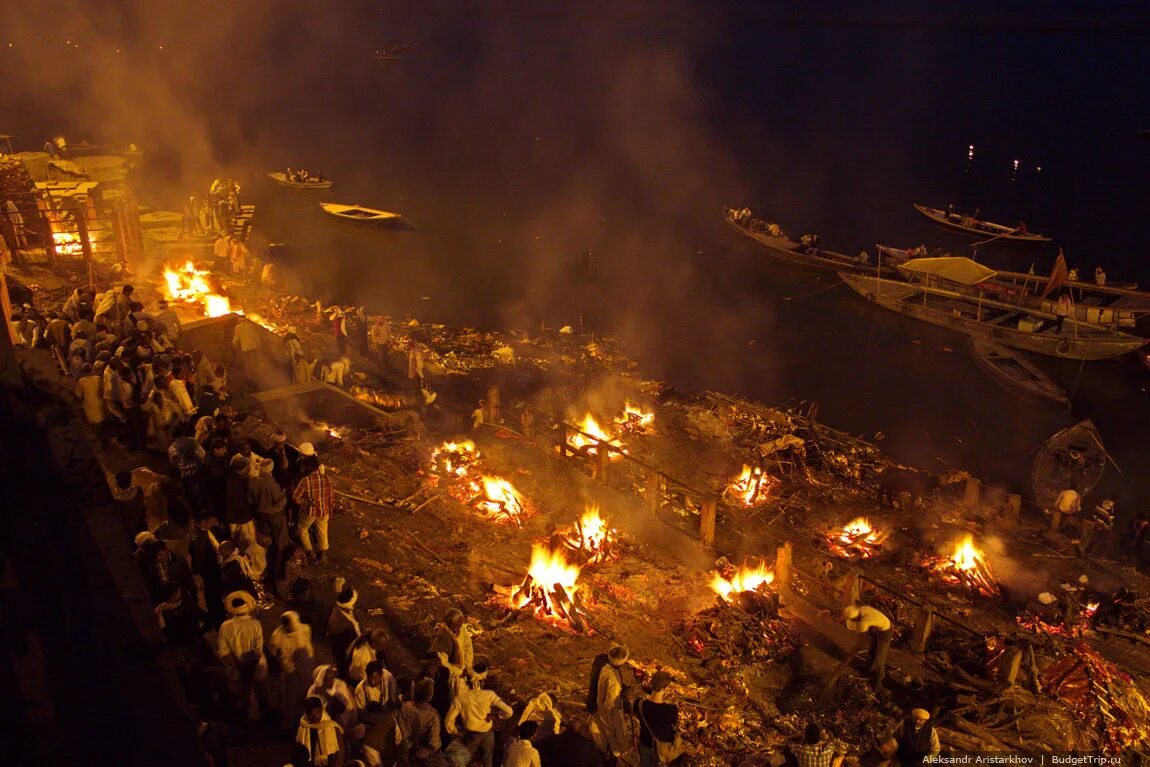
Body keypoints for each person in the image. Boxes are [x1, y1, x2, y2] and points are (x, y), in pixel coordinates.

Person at [445, 658, 514, 767]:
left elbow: (448, 722)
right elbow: (509, 711)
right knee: (487, 762)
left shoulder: (460, 698)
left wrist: (456, 733)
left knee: (461, 761)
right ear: (481, 682)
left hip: (470, 735)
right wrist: (499, 716)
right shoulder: (489, 695)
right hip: (487, 733)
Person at [217, 590, 267, 721]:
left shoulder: (225, 626)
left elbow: (224, 652)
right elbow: (258, 650)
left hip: (236, 666)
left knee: (242, 696)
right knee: (256, 691)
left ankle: (245, 719)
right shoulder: (255, 624)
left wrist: (236, 666)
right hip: (255, 665)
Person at [269, 611, 316, 730]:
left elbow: (308, 647)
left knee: (307, 692)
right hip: (290, 671)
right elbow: (273, 654)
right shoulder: (277, 636)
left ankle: (306, 717)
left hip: (305, 668)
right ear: (285, 626)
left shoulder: (305, 629)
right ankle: (289, 722)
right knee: (290, 697)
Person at [590, 645, 634, 763]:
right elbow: (610, 706)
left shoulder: (605, 667)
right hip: (607, 715)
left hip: (599, 708)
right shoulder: (612, 680)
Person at [249, 455, 287, 577]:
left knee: (264, 538)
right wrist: (284, 497)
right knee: (278, 537)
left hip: (260, 515)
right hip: (274, 515)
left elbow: (250, 500)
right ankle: (278, 560)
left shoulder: (253, 482)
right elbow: (278, 501)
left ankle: (264, 560)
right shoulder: (272, 484)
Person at [295, 446, 334, 562]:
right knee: (323, 530)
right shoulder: (326, 478)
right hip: (324, 510)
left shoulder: (305, 481)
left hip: (310, 511)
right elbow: (331, 495)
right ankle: (323, 554)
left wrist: (305, 503)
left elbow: (296, 498)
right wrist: (330, 508)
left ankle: (310, 552)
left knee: (302, 528)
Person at [636, 671, 681, 767]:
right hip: (662, 748)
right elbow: (673, 724)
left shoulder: (639, 703)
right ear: (665, 688)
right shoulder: (671, 709)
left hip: (645, 743)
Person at [842, 603, 893, 689]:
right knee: (872, 649)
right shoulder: (862, 609)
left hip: (886, 631)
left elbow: (861, 642)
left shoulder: (864, 622)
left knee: (879, 657)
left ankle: (879, 681)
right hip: (877, 627)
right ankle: (867, 667)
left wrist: (853, 651)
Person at [430, 607, 474, 706]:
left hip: (462, 672)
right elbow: (443, 663)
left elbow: (468, 646)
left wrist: (468, 666)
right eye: (459, 623)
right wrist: (459, 672)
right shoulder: (442, 639)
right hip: (449, 677)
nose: (462, 625)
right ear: (452, 624)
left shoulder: (461, 628)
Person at [399, 678, 443, 764]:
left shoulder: (405, 707)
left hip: (404, 747)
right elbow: (434, 743)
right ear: (430, 696)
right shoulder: (433, 716)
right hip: (419, 752)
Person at [296, 696, 345, 767]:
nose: (314, 718)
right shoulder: (304, 726)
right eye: (310, 715)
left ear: (321, 710)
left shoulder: (331, 727)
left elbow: (340, 753)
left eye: (316, 714)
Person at [308, 664, 357, 733]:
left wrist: (328, 696)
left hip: (340, 720)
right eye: (328, 673)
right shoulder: (314, 689)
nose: (331, 680)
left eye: (332, 676)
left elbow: (345, 707)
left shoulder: (339, 685)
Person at [328, 583, 362, 679]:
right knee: (345, 668)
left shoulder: (345, 610)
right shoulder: (340, 622)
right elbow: (342, 645)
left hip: (349, 646)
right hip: (345, 650)